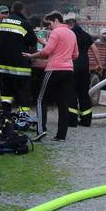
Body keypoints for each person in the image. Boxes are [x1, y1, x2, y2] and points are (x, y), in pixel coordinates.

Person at [23, 10, 78, 142]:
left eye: (49, 24)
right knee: (63, 103)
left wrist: (31, 55)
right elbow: (75, 55)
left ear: (56, 20)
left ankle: (41, 130)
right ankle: (61, 135)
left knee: (41, 99)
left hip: (54, 70)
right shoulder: (71, 33)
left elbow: (46, 52)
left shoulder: (56, 32)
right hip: (68, 71)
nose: (49, 27)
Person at [0, 1, 36, 126]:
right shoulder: (25, 24)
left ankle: (6, 118)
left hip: (3, 67)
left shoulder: (2, 23)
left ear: (12, 9)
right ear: (22, 10)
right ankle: (22, 121)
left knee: (6, 94)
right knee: (23, 94)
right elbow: (32, 41)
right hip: (20, 67)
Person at [64, 13, 93, 127]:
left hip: (73, 66)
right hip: (85, 67)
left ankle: (72, 121)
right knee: (84, 94)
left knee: (71, 93)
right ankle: (86, 121)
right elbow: (94, 48)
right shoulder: (86, 35)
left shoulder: (70, 35)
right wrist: (99, 63)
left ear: (70, 24)